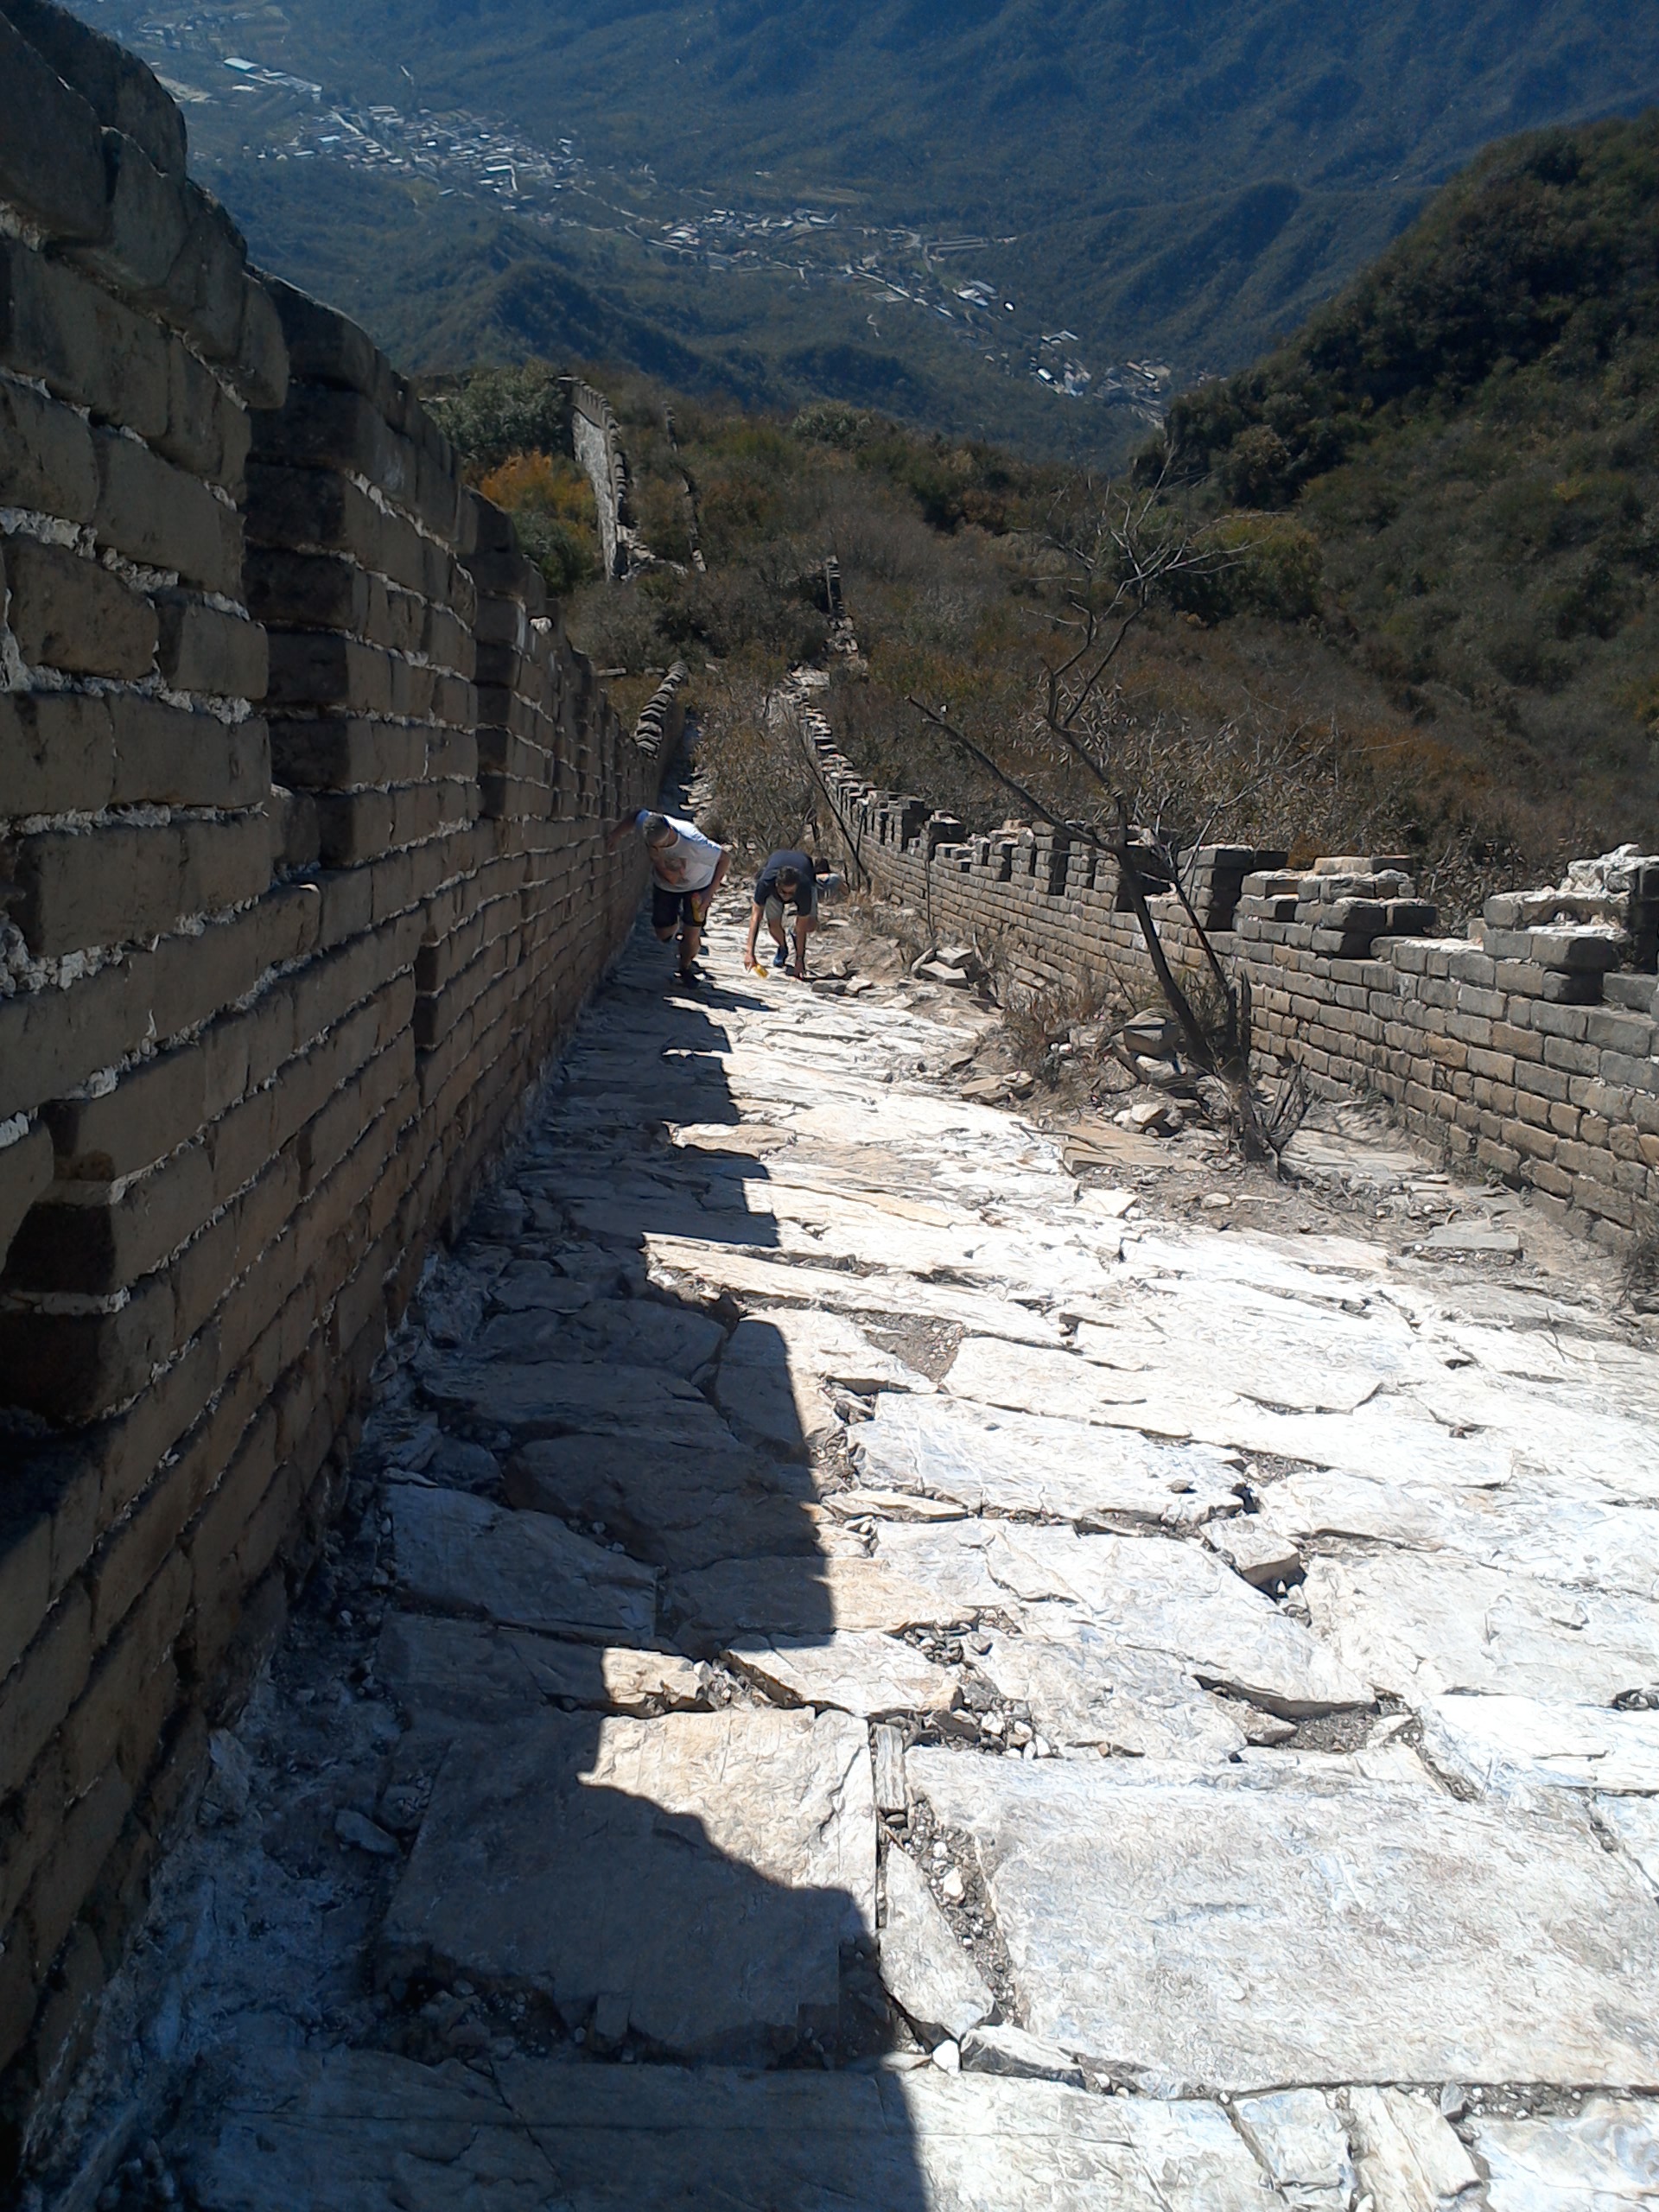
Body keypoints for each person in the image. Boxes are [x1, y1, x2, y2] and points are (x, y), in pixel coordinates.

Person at [605, 808, 729, 979]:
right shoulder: (650, 825)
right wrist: (615, 835)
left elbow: (725, 858)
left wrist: (709, 894)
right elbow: (636, 815)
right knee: (663, 934)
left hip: (698, 885)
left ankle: (685, 967)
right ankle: (677, 921)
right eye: (654, 846)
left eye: (662, 845)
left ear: (670, 830)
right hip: (666, 886)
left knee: (690, 935)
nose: (659, 848)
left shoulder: (694, 843)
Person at [745, 848, 820, 980]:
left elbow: (802, 926)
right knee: (773, 925)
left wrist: (799, 960)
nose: (787, 896)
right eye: (784, 892)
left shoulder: (804, 888)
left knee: (809, 925)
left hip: (805, 872)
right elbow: (756, 917)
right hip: (775, 869)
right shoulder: (766, 883)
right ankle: (783, 947)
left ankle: (794, 935)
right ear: (777, 885)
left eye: (791, 893)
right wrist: (749, 952)